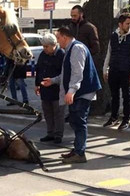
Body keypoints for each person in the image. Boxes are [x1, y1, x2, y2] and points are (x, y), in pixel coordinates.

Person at [41, 27, 101, 164]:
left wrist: (71, 91)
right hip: (79, 92)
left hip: (82, 92)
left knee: (79, 122)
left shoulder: (77, 48)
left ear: (64, 37)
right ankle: (77, 149)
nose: (57, 41)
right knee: (75, 121)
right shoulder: (70, 49)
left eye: (58, 38)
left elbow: (77, 73)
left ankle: (80, 153)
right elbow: (67, 73)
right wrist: (53, 81)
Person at [102, 13, 130, 130]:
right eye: (127, 23)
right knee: (114, 95)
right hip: (114, 70)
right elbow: (109, 53)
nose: (129, 25)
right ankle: (114, 117)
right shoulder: (113, 36)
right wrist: (105, 69)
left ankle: (126, 119)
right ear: (120, 24)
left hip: (125, 70)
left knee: (126, 96)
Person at [35, 34, 65, 144]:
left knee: (58, 113)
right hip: (45, 89)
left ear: (54, 45)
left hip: (57, 89)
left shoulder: (61, 54)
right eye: (43, 46)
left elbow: (64, 74)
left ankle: (58, 134)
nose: (44, 49)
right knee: (47, 112)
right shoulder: (43, 54)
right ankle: (50, 132)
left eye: (46, 47)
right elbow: (38, 69)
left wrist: (53, 81)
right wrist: (37, 84)